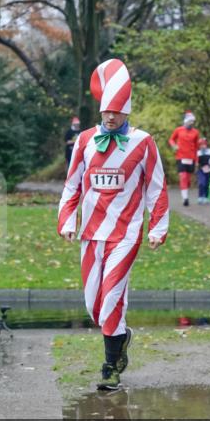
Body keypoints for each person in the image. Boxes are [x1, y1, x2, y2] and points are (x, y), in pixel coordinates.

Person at [58, 58, 169, 391]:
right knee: (94, 305)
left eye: (116, 112)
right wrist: (67, 219)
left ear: (127, 113)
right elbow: (71, 184)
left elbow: (157, 186)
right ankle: (121, 338)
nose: (110, 117)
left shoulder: (143, 142)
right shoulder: (84, 141)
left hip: (126, 233)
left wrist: (157, 227)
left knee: (111, 299)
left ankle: (110, 367)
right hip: (91, 234)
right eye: (106, 111)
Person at [168, 110, 200, 206]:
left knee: (188, 179)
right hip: (181, 157)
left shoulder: (196, 132)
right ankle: (185, 198)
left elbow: (197, 147)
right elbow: (171, 139)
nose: (192, 123)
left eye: (193, 122)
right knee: (183, 176)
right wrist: (174, 146)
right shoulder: (178, 130)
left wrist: (197, 160)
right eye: (190, 121)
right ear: (186, 121)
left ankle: (185, 193)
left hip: (191, 158)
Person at [196, 137, 210, 205]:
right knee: (202, 183)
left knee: (207, 184)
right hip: (201, 170)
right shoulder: (198, 153)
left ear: (206, 144)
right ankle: (200, 197)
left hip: (209, 170)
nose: (202, 146)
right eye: (201, 145)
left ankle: (206, 198)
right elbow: (196, 162)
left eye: (204, 144)